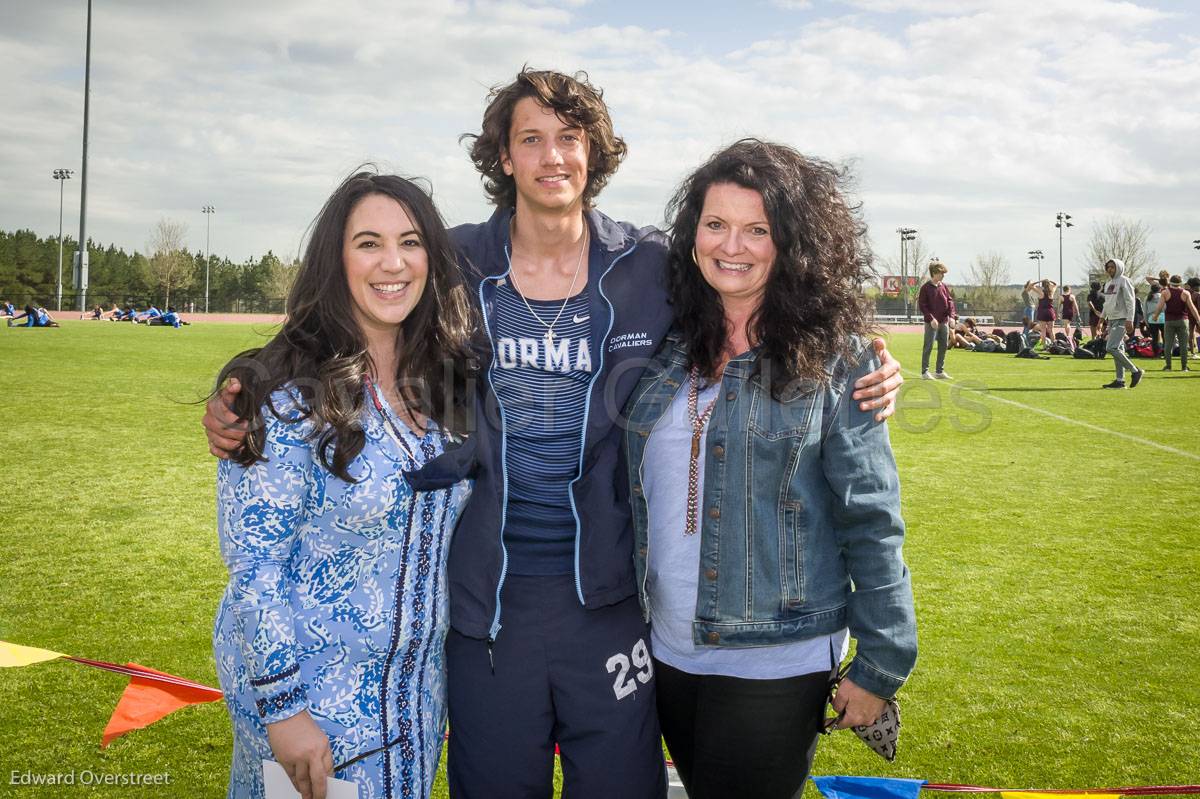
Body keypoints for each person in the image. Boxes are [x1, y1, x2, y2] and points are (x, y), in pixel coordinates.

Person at [203, 69, 905, 799]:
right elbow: (349, 306)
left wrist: (867, 354)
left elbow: (769, 290)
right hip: (483, 606)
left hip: (609, 606)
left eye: (569, 138)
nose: (552, 157)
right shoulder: (453, 261)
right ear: (503, 157)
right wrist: (247, 381)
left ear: (594, 151)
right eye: (530, 139)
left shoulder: (651, 264)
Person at [624, 139, 916, 799]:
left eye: (758, 229)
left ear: (791, 243)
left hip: (777, 658)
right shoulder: (664, 348)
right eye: (717, 224)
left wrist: (881, 662)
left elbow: (871, 520)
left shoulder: (840, 361)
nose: (734, 244)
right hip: (668, 650)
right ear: (692, 233)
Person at [211, 171, 476, 799]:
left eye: (410, 242)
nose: (393, 263)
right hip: (311, 712)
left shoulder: (442, 383)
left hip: (410, 703)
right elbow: (254, 570)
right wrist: (284, 709)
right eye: (368, 243)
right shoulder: (284, 397)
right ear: (336, 259)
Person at [1100, 258, 1143, 389]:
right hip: (1112, 320)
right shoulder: (1108, 284)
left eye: (1112, 267)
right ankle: (1120, 380)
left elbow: (1131, 301)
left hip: (1123, 319)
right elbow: (1107, 303)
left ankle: (1135, 371)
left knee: (1111, 348)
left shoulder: (1125, 281)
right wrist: (1102, 318)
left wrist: (1129, 319)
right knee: (1118, 349)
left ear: (1119, 267)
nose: (1110, 269)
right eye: (1108, 267)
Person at [918, 260, 955, 378]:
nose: (943, 276)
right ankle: (925, 372)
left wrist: (952, 317)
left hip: (944, 321)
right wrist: (931, 319)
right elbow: (922, 305)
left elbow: (950, 302)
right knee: (928, 346)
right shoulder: (925, 288)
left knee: (943, 346)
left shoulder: (943, 286)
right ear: (934, 273)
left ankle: (939, 371)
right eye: (941, 273)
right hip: (931, 323)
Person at [1154, 275, 1200, 371]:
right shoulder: (1185, 293)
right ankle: (1184, 367)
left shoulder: (1165, 292)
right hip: (1183, 320)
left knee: (1168, 345)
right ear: (1180, 283)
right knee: (1183, 344)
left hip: (1169, 321)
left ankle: (1168, 366)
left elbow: (1160, 306)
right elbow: (1192, 308)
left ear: (1170, 282)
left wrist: (1155, 316)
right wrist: (1198, 319)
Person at [1033, 279, 1058, 350]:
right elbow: (1055, 284)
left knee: (1043, 331)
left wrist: (1039, 281)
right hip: (1050, 312)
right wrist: (1050, 281)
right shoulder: (1051, 292)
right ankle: (1054, 346)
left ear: (1042, 285)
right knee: (1051, 330)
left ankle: (1044, 346)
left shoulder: (1040, 292)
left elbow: (1031, 286)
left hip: (1042, 312)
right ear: (1049, 284)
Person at [1059, 285, 1079, 350]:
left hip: (1065, 311)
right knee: (1068, 324)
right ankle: (1068, 336)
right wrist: (1078, 313)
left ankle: (1068, 336)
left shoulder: (1061, 297)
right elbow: (1076, 306)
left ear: (1063, 290)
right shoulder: (1072, 296)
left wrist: (1058, 313)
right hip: (1070, 312)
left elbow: (1058, 306)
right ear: (1069, 289)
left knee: (1066, 324)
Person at [1187, 276, 1200, 356]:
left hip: (1189, 316)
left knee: (1191, 334)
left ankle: (1192, 352)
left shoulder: (1187, 293)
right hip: (1197, 316)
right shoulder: (1197, 295)